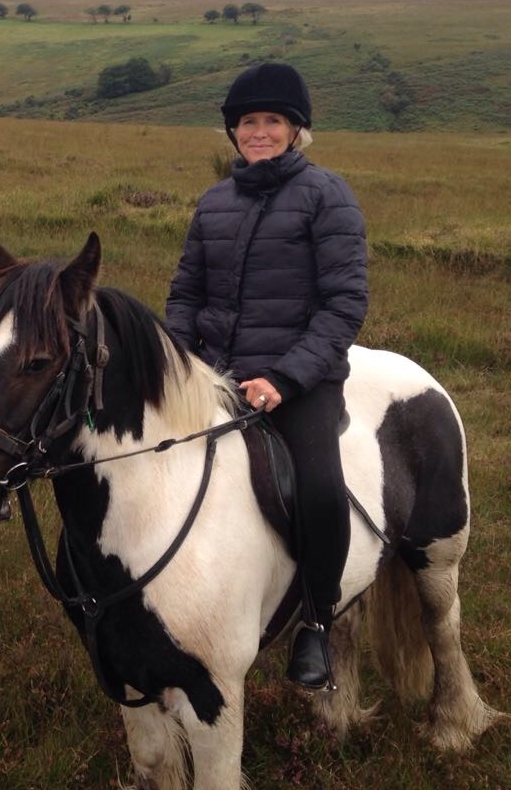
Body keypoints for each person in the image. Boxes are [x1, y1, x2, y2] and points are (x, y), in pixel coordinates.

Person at [164, 62, 368, 689]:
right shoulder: (214, 202)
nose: (258, 132)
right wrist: (179, 363)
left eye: (272, 121)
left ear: (295, 129)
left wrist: (285, 378)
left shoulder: (327, 195)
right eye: (248, 122)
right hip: (216, 375)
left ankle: (317, 620)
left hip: (301, 380)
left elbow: (344, 304)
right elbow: (186, 294)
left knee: (320, 489)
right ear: (233, 131)